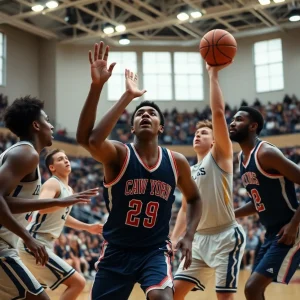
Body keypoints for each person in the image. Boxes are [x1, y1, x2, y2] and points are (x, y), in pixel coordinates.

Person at [76, 41, 202, 300]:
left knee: (162, 298)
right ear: (132, 126)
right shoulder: (119, 154)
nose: (145, 115)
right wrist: (104, 88)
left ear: (161, 127)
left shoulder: (176, 161)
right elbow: (89, 140)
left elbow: (195, 198)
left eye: (152, 114)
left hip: (154, 250)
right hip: (117, 250)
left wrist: (189, 235)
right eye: (139, 113)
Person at [0, 96, 98, 300]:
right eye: (46, 120)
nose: (51, 125)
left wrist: (59, 204)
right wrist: (28, 238)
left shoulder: (24, 154)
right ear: (36, 125)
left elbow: (7, 203)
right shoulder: (26, 153)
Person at [171, 63, 246, 300]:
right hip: (198, 239)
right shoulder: (188, 170)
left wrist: (213, 75)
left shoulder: (220, 157)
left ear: (215, 142)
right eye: (196, 132)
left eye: (204, 133)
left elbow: (218, 114)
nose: (198, 134)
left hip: (225, 236)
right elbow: (185, 208)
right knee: (171, 294)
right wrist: (174, 239)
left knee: (224, 297)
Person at [230, 106, 300, 300]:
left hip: (292, 229)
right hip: (272, 233)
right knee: (254, 289)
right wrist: (231, 214)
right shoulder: (241, 159)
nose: (232, 123)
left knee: (252, 288)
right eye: (232, 119)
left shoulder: (266, 153)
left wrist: (294, 225)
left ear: (253, 126)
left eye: (239, 119)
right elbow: (257, 203)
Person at [17, 149, 102, 300]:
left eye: (67, 157)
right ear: (52, 167)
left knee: (32, 296)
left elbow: (64, 217)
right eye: (60, 159)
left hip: (44, 244)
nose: (66, 160)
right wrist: (66, 202)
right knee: (78, 283)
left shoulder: (68, 189)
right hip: (34, 242)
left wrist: (88, 227)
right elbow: (41, 207)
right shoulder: (52, 183)